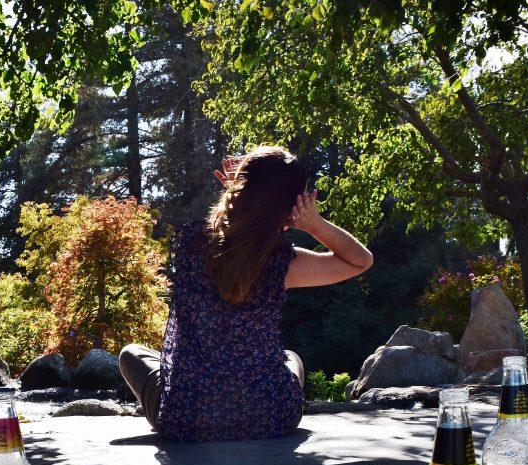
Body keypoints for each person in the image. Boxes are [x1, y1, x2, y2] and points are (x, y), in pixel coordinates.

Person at [119, 146, 373, 442]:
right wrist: (314, 224)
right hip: (270, 416)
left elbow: (226, 235)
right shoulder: (284, 264)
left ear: (240, 188)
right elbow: (361, 261)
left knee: (131, 354)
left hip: (188, 418)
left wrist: (242, 195)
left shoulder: (190, 244)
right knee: (290, 357)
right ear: (291, 207)